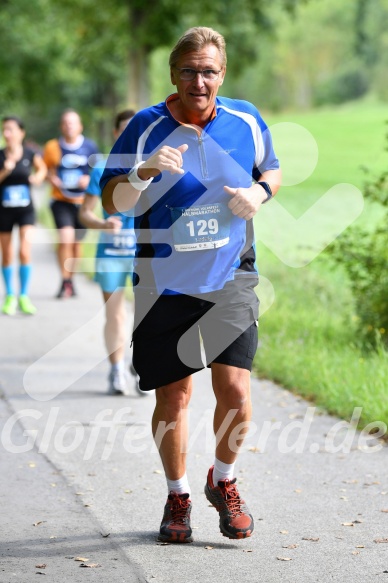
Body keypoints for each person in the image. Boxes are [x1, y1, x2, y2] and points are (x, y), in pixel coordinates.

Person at [101, 27, 281, 543]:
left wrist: (259, 194)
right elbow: (112, 202)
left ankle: (222, 479)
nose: (198, 81)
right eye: (188, 71)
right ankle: (177, 493)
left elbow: (272, 170)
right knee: (175, 398)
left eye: (208, 71)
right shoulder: (144, 126)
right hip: (164, 284)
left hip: (231, 275)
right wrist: (143, 172)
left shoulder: (245, 120)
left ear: (222, 74)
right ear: (173, 75)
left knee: (236, 389)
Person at [79, 109, 146, 397]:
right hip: (111, 253)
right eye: (124, 130)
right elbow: (84, 214)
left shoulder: (155, 167)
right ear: (116, 135)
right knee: (115, 313)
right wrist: (101, 223)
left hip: (146, 254)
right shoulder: (102, 168)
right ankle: (117, 369)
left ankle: (141, 364)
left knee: (146, 316)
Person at [43, 109, 99, 298]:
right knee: (65, 238)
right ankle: (64, 279)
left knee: (76, 243)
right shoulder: (52, 147)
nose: (69, 126)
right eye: (66, 123)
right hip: (61, 200)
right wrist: (51, 178)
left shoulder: (90, 147)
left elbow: (98, 172)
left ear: (80, 126)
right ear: (61, 126)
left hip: (83, 203)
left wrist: (87, 179)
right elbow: (46, 170)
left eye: (72, 123)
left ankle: (71, 280)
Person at [0, 116, 47, 315]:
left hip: (26, 210)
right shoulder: (1, 155)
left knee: (25, 252)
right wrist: (5, 169)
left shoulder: (30, 153)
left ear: (21, 132)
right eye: (4, 130)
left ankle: (24, 296)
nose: (7, 133)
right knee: (8, 253)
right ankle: (10, 295)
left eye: (10, 129)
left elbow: (42, 167)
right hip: (4, 210)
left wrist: (38, 177)